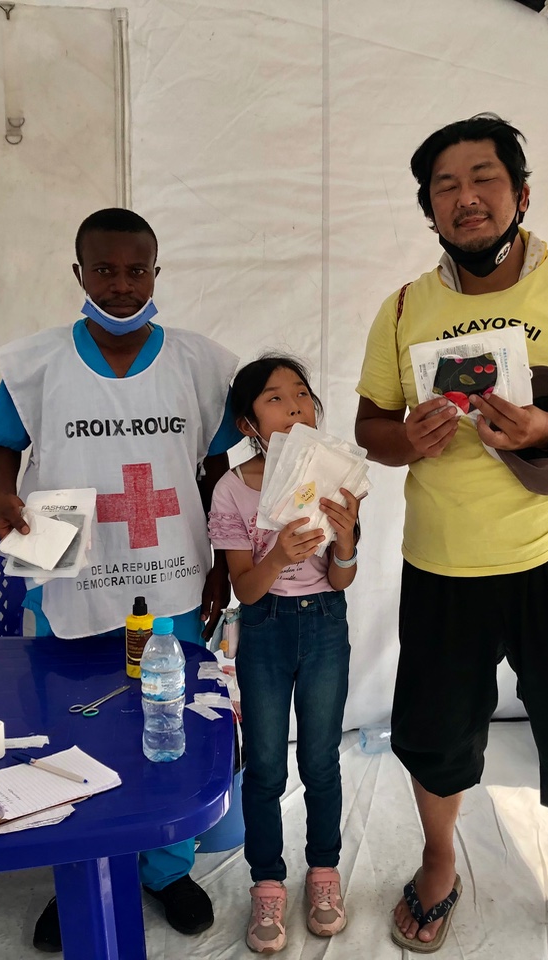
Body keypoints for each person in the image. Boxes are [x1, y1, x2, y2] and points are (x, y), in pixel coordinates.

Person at [354, 115, 548, 960]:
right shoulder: (404, 309)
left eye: (484, 177)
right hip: (441, 559)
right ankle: (438, 861)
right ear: (429, 208)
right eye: (446, 185)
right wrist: (405, 440)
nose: (467, 197)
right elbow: (370, 428)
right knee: (434, 732)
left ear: (521, 194)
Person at [0, 207, 239, 950]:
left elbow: (216, 467)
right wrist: (1, 494)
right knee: (68, 721)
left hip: (171, 569)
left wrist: (222, 561)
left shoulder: (198, 363)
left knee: (170, 717)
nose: (121, 285)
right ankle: (82, 865)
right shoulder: (37, 364)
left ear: (156, 273)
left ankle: (166, 867)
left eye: (135, 270)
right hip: (68, 566)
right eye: (104, 270)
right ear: (79, 273)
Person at [206, 357, 360, 954]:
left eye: (301, 393)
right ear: (248, 422)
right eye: (274, 397)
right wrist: (277, 556)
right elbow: (244, 590)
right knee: (266, 764)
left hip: (325, 624)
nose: (294, 404)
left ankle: (324, 874)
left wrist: (345, 540)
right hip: (264, 629)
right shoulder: (232, 488)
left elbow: (342, 578)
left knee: (321, 760)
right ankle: (267, 883)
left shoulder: (336, 476)